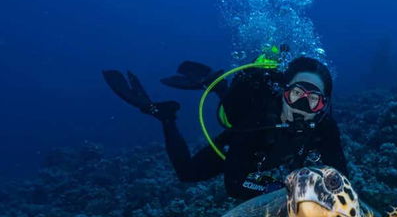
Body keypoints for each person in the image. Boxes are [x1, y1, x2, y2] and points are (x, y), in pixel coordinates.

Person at [102, 53, 348, 199]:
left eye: (313, 100)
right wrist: (284, 190)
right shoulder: (257, 121)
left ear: (324, 105)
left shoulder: (326, 128)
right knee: (188, 173)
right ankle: (166, 115)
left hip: (271, 157)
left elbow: (341, 180)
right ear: (284, 91)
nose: (302, 106)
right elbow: (234, 183)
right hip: (249, 136)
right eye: (297, 94)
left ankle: (219, 87)